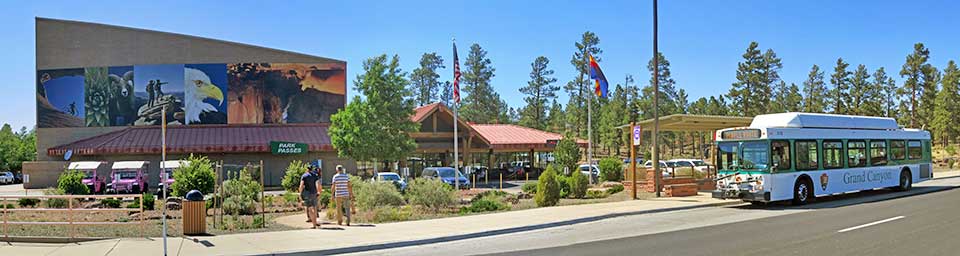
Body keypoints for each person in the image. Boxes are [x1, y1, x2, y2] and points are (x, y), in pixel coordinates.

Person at [299, 164, 322, 229]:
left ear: (307, 169)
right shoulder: (315, 176)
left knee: (309, 209)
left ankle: (314, 224)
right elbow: (318, 184)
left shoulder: (304, 176)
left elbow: (301, 185)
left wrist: (300, 193)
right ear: (312, 169)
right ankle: (315, 223)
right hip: (314, 193)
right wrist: (319, 192)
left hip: (307, 194)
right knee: (314, 208)